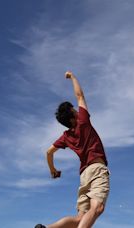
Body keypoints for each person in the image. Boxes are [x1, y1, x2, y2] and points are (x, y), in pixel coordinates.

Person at [35, 71, 110, 228]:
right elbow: (80, 96)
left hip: (84, 176)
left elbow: (49, 152)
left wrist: (52, 170)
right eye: (74, 110)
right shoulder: (83, 122)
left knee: (80, 220)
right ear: (72, 118)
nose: (77, 110)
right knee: (97, 208)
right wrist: (73, 77)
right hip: (96, 170)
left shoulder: (66, 136)